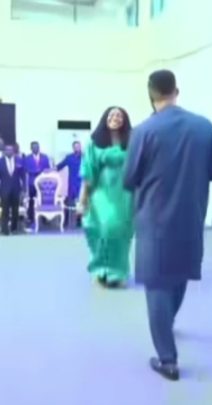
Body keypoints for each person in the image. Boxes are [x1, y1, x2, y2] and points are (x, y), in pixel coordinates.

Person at [123, 69, 212, 381]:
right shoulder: (204, 126)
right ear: (176, 91)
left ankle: (167, 360)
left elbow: (129, 178)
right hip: (191, 220)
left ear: (151, 94)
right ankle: (167, 325)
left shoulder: (143, 131)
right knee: (179, 276)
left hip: (154, 223)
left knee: (157, 287)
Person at [78, 107, 134, 288]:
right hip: (101, 193)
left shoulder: (132, 143)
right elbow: (87, 172)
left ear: (125, 120)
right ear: (105, 119)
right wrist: (83, 199)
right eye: (112, 115)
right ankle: (100, 270)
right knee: (103, 230)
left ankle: (118, 273)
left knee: (121, 233)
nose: (115, 118)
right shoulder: (94, 143)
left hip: (124, 194)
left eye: (119, 115)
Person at [24, 141, 51, 225]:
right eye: (34, 147)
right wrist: (36, 171)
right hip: (32, 183)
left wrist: (43, 171)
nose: (36, 148)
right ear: (31, 148)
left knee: (43, 200)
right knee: (32, 201)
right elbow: (26, 169)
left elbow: (48, 168)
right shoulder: (27, 158)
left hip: (43, 183)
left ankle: (45, 218)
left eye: (37, 146)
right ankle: (31, 218)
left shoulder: (45, 157)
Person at [57, 140, 83, 227]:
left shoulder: (86, 157)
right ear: (73, 148)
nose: (77, 148)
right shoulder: (69, 157)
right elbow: (60, 166)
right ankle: (66, 222)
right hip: (72, 184)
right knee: (69, 203)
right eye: (76, 147)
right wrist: (51, 169)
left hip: (83, 184)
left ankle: (80, 222)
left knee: (82, 204)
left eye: (78, 146)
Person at [0, 143, 24, 235]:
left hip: (16, 189)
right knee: (5, 211)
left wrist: (24, 190)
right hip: (4, 190)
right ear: (4, 151)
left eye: (10, 150)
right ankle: (4, 230)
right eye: (7, 150)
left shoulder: (19, 160)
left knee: (15, 210)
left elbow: (23, 176)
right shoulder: (0, 161)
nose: (9, 151)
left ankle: (14, 229)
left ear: (13, 151)